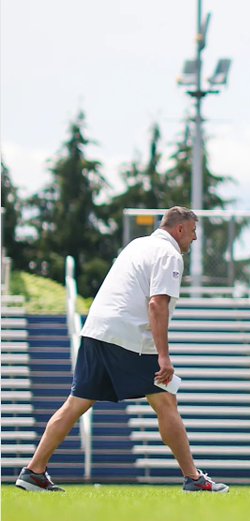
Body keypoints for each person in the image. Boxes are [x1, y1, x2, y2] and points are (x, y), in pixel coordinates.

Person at [16, 206, 227, 493]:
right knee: (166, 403)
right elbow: (157, 304)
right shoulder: (169, 254)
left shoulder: (137, 244)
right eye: (193, 232)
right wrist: (163, 356)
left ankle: (34, 471)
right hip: (129, 338)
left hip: (95, 331)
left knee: (76, 403)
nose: (194, 239)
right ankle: (193, 478)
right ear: (179, 229)